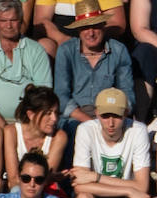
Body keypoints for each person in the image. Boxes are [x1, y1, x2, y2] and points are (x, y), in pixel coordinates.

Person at [66, 86, 150, 198]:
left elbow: (143, 187)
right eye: (105, 116)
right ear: (96, 113)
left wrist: (95, 177)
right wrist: (129, 189)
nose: (110, 123)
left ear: (126, 113)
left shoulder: (138, 131)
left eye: (116, 116)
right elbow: (79, 187)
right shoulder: (86, 130)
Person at [53, 0, 134, 129]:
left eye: (95, 26)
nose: (91, 33)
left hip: (110, 114)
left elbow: (127, 93)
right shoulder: (66, 51)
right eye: (85, 27)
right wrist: (90, 122)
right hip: (76, 117)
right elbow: (61, 95)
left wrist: (111, 118)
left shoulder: (118, 50)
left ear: (103, 26)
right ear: (78, 30)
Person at [0, 0, 52, 125]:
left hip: (29, 122)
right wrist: (4, 127)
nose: (9, 26)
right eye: (3, 21)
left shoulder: (36, 50)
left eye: (13, 20)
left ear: (21, 20)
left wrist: (28, 125)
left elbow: (44, 92)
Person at [4, 85, 67, 188]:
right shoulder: (11, 132)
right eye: (48, 113)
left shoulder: (59, 137)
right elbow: (13, 180)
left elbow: (43, 179)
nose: (54, 119)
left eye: (56, 113)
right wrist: (48, 178)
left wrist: (48, 178)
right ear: (31, 114)